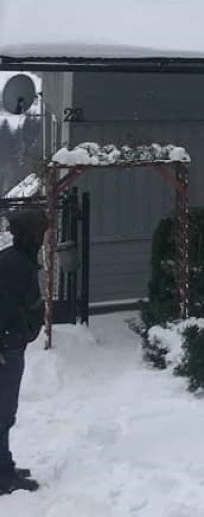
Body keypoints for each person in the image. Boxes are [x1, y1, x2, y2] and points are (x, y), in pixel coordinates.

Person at [0, 208, 47, 496]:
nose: (43, 239)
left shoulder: (15, 260)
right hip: (6, 349)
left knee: (5, 413)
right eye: (40, 233)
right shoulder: (14, 265)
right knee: (2, 414)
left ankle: (4, 465)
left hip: (11, 345)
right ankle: (3, 476)